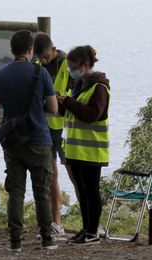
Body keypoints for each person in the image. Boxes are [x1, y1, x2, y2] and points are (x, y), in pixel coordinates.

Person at [0, 30, 58, 252]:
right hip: (39, 139)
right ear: (30, 50)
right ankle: (47, 238)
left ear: (11, 49)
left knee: (16, 191)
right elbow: (54, 108)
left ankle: (15, 241)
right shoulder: (41, 73)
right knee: (42, 191)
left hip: (13, 142)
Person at [57, 45, 110, 245]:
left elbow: (91, 114)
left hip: (92, 151)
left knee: (91, 191)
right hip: (76, 150)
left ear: (85, 65)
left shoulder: (99, 87)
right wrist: (63, 104)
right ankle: (86, 229)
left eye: (73, 67)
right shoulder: (80, 85)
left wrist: (69, 102)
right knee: (82, 191)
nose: (71, 71)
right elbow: (74, 113)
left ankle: (93, 231)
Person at [33, 32, 74, 239]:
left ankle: (91, 223)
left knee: (75, 173)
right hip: (45, 127)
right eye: (39, 57)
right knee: (50, 175)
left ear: (53, 49)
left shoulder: (68, 64)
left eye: (46, 56)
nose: (43, 60)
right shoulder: (37, 66)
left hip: (65, 128)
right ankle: (55, 222)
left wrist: (60, 102)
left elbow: (75, 97)